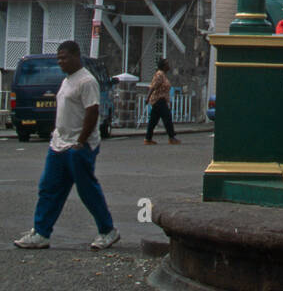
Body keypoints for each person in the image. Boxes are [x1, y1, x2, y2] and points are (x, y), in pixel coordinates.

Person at [14, 40, 120, 250]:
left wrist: (81, 142)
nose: (60, 62)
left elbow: (92, 112)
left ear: (76, 56)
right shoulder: (67, 80)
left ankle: (107, 231)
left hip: (78, 146)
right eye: (58, 58)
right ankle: (41, 232)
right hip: (58, 144)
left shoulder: (87, 81)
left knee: (87, 190)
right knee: (49, 188)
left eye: (64, 58)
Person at [144, 58, 180, 145]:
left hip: (161, 100)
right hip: (158, 100)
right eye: (167, 64)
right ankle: (171, 137)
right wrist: (147, 97)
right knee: (167, 117)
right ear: (163, 66)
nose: (169, 66)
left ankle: (148, 138)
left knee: (153, 120)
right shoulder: (159, 74)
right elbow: (153, 86)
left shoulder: (163, 75)